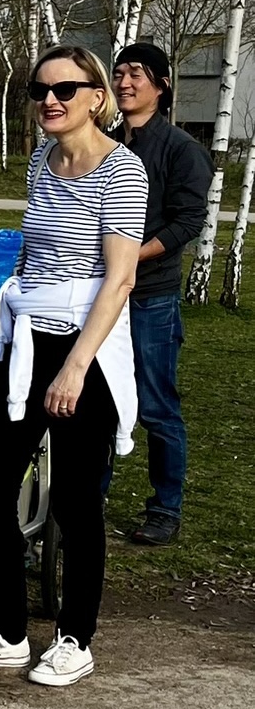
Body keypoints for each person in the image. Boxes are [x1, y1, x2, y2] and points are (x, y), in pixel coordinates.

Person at [0, 45, 144, 688]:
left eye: (64, 89)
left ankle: (75, 638)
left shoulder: (122, 170)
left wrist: (76, 367)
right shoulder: (41, 161)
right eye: (39, 90)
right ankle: (7, 631)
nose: (49, 100)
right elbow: (32, 257)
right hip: (27, 338)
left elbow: (120, 279)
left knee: (76, 501)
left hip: (86, 347)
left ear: (97, 96)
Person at [112, 42, 211, 546]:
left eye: (137, 73)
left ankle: (165, 509)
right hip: (101, 294)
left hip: (150, 296)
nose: (125, 82)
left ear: (162, 85)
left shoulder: (180, 149)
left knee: (156, 405)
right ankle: (85, 498)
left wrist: (131, 256)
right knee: (97, 401)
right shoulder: (103, 142)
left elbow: (188, 222)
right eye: (119, 72)